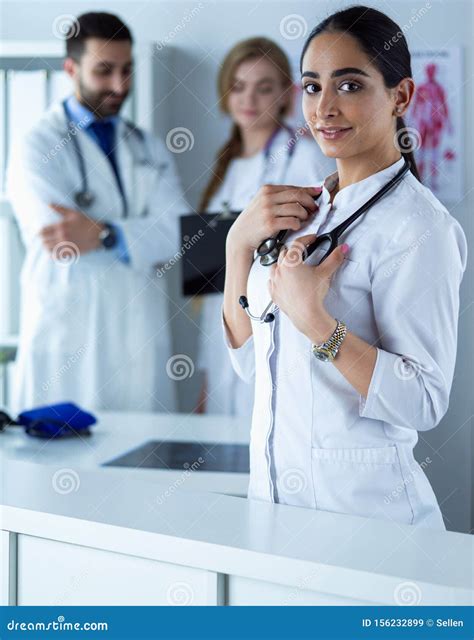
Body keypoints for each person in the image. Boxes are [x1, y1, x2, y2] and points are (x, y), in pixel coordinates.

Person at [222, 6, 467, 529]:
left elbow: (424, 402)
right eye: (312, 87)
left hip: (367, 523)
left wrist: (317, 323)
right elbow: (250, 365)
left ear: (400, 96)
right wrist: (237, 246)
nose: (324, 107)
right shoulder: (306, 209)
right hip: (272, 511)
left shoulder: (421, 228)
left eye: (350, 86)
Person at [8, 12, 188, 413]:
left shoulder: (148, 147)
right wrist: (138, 235)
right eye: (104, 71)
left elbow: (179, 231)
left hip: (137, 330)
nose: (119, 85)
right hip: (68, 332)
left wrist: (107, 234)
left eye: (127, 70)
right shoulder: (36, 145)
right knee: (59, 461)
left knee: (144, 463)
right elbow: (60, 236)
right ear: (71, 69)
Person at [196, 37, 334, 417]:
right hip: (225, 330)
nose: (249, 99)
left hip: (277, 329)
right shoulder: (226, 164)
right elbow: (211, 280)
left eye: (264, 87)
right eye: (238, 86)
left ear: (286, 95)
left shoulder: (304, 159)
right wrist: (207, 378)